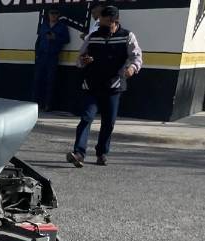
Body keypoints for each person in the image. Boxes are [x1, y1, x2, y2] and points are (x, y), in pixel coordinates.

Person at [66, 6, 142, 167]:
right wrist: (83, 61)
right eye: (100, 21)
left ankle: (102, 153)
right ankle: (79, 153)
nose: (102, 24)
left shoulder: (127, 36)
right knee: (86, 118)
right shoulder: (93, 37)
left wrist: (132, 68)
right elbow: (79, 59)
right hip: (92, 85)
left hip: (114, 85)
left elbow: (137, 56)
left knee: (109, 122)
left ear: (115, 21)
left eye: (106, 22)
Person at [33, 9, 70, 112]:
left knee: (50, 81)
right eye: (51, 13)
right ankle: (36, 104)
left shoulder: (62, 27)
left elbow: (67, 40)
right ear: (48, 15)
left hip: (52, 56)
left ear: (58, 15)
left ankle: (48, 105)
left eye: (55, 13)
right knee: (38, 80)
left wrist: (55, 38)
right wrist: (36, 54)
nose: (53, 15)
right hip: (41, 56)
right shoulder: (43, 25)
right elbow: (38, 40)